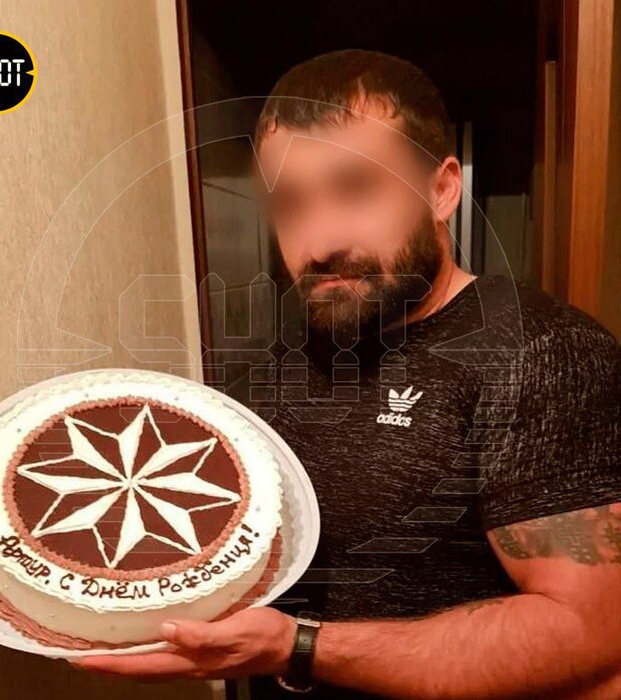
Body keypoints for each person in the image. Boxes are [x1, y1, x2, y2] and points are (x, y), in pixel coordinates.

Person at [74, 50, 621, 699]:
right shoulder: (305, 346)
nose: (320, 240)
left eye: (356, 188)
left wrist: (299, 647)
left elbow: (588, 631)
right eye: (290, 204)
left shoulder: (541, 353)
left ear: (442, 189)